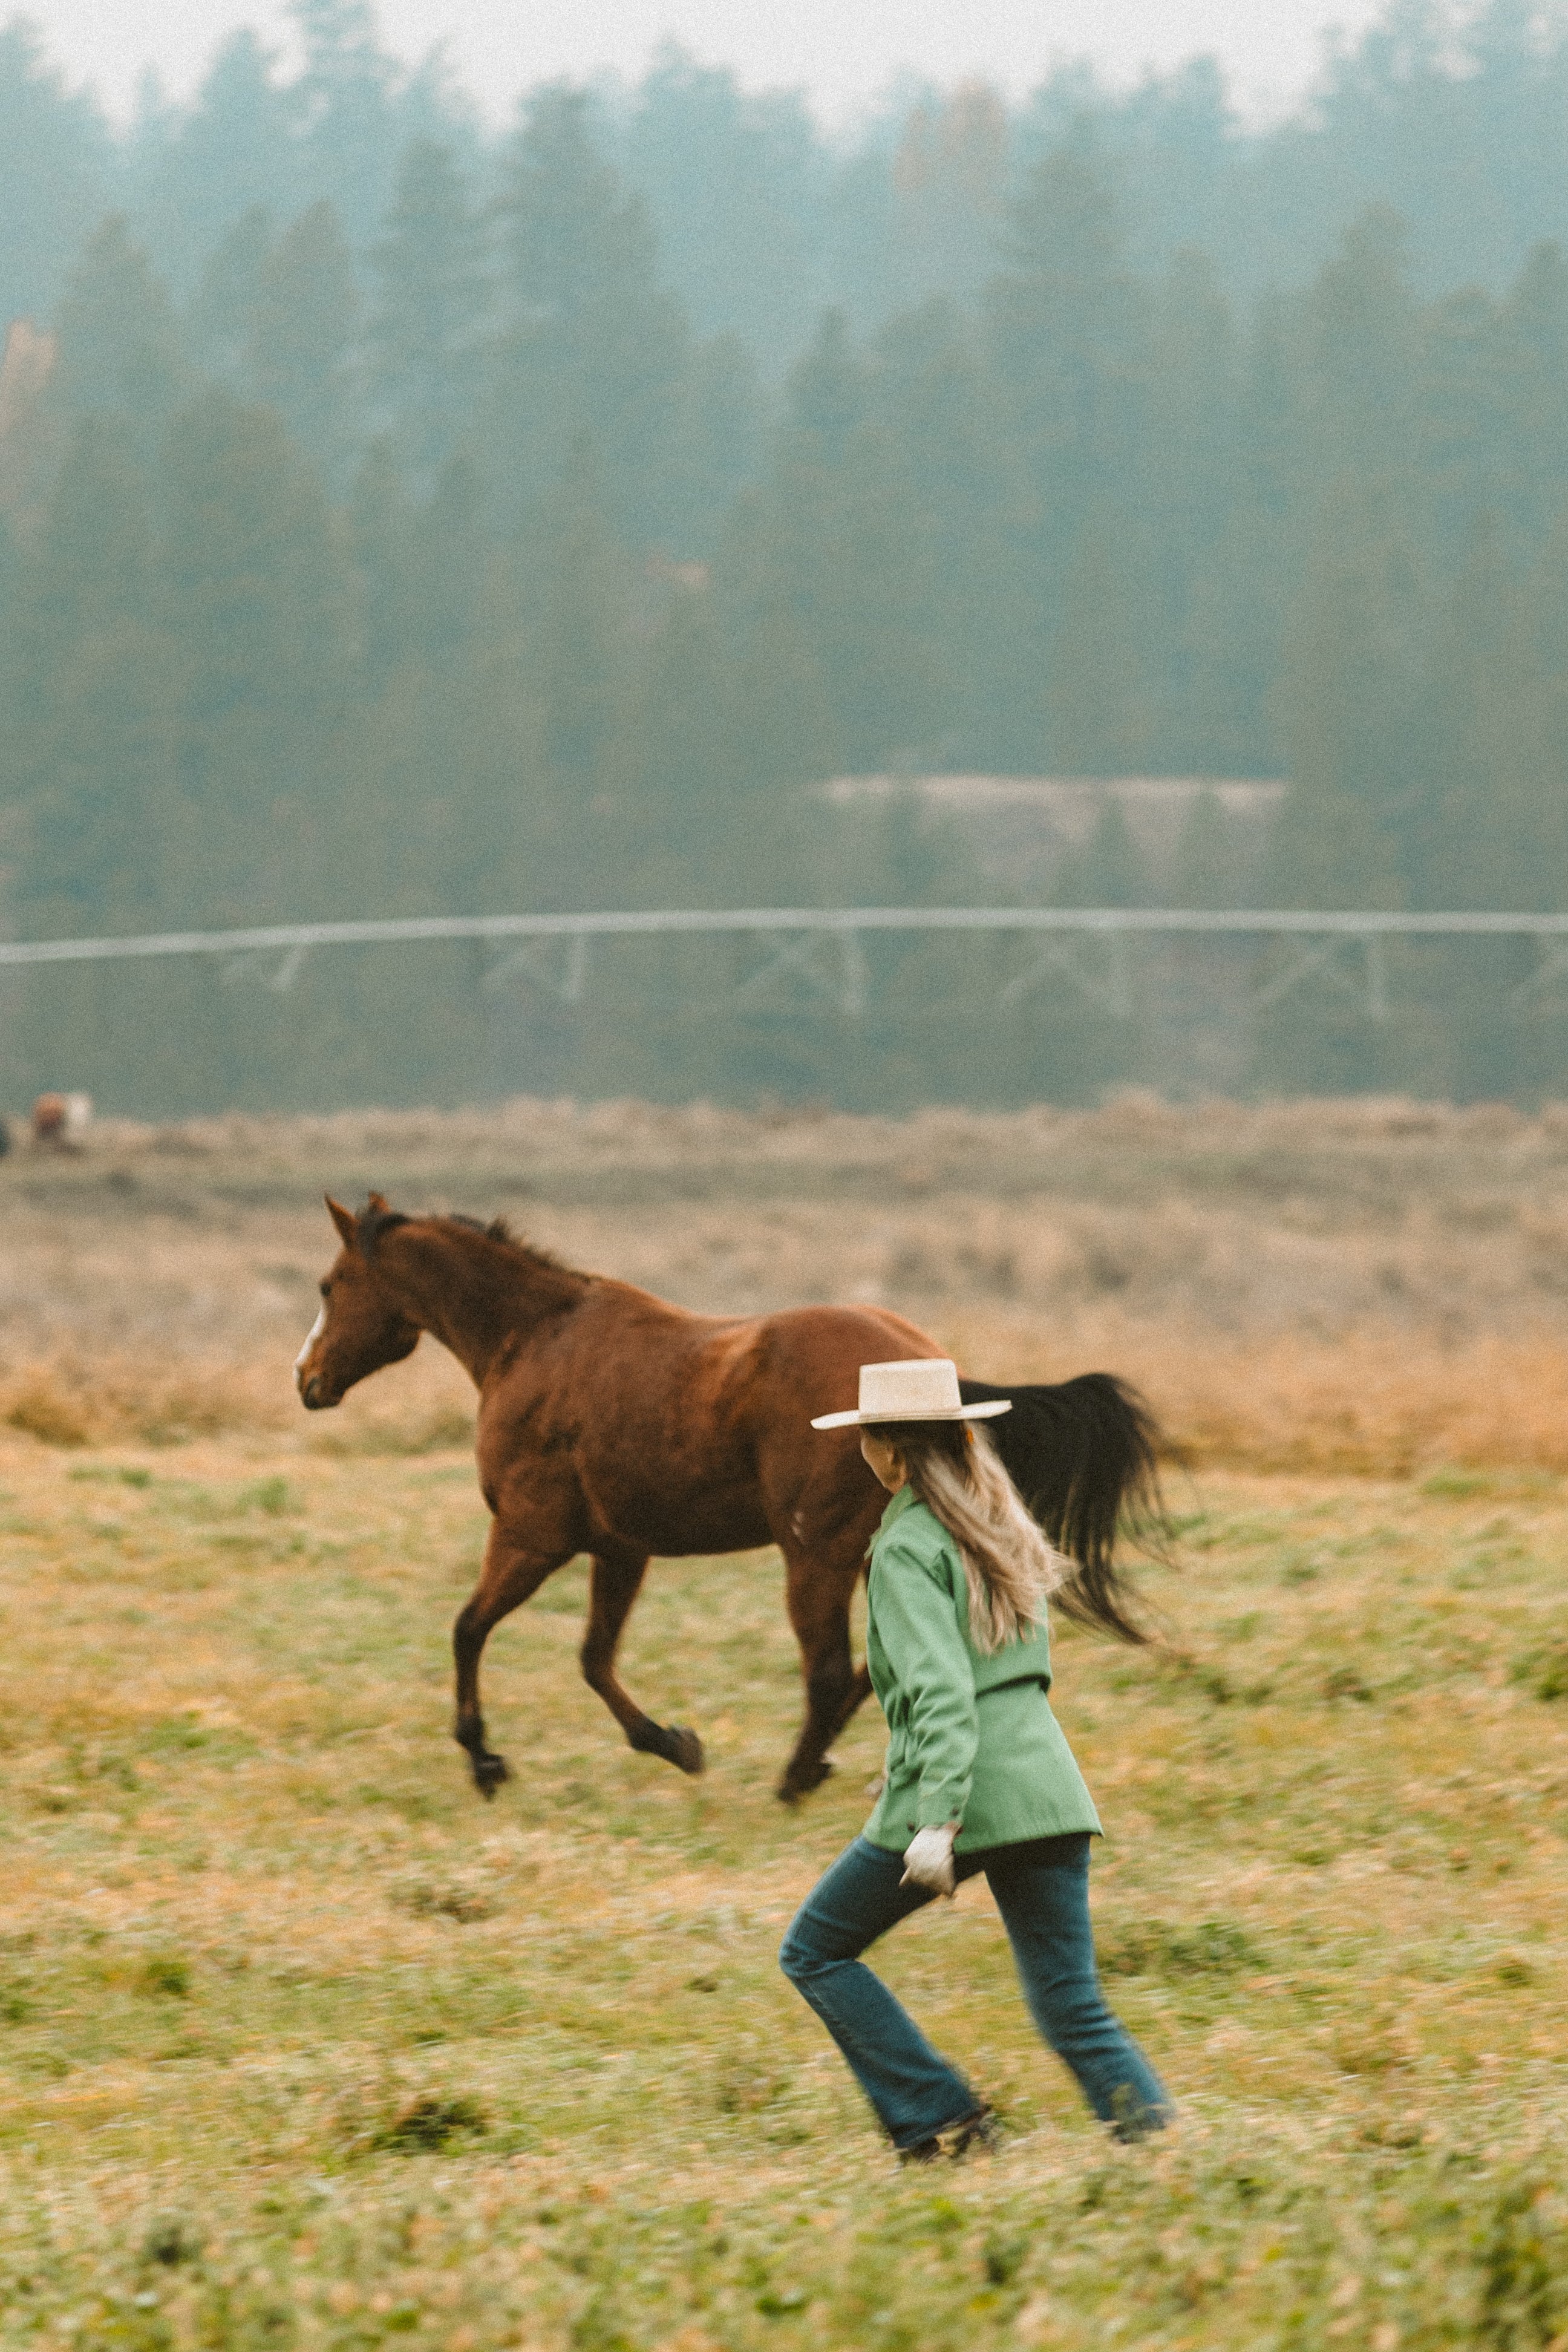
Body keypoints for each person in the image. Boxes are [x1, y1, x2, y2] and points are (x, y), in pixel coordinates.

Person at [780, 1356, 1172, 2161]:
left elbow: (945, 1693)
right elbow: (1007, 1679)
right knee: (1074, 2010)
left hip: (968, 1802)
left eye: (865, 1438)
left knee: (815, 1949)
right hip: (1047, 1791)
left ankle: (943, 2124)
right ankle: (1164, 2151)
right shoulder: (996, 1530)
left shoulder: (902, 1550)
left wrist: (938, 1817)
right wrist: (910, 1765)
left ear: (886, 1448)